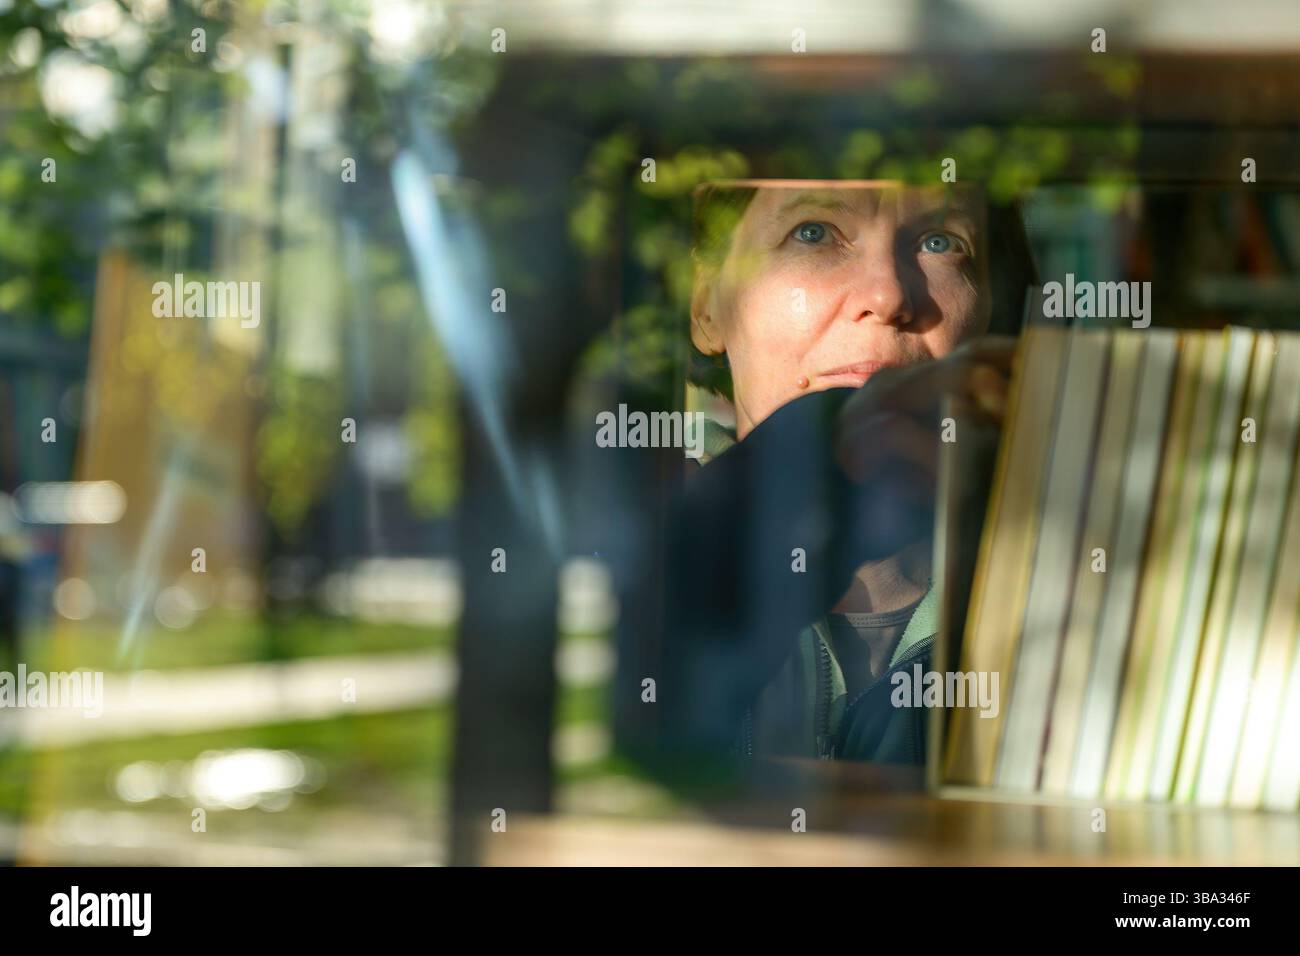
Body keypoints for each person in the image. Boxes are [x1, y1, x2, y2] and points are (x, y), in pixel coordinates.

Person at [657, 180, 1034, 764]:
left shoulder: (1059, 577)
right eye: (812, 233)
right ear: (707, 306)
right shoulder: (632, 561)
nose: (887, 295)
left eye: (941, 241)